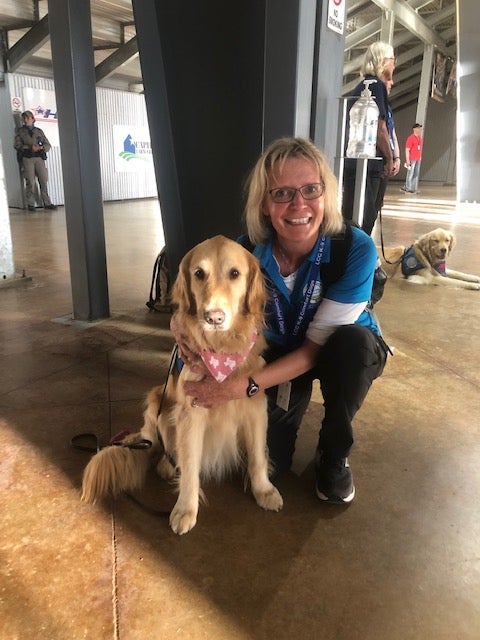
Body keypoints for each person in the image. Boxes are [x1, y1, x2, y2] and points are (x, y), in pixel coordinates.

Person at [172, 137, 389, 504]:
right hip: (278, 356)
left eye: (310, 189)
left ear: (327, 195)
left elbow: (313, 350)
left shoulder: (355, 249)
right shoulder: (243, 255)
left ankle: (334, 456)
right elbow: (203, 300)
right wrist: (180, 325)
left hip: (336, 351)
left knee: (352, 347)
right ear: (264, 205)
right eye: (282, 193)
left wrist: (241, 388)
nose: (298, 204)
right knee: (277, 461)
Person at [342, 41, 400, 235]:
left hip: (359, 165)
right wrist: (390, 158)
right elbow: (380, 128)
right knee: (363, 221)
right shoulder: (375, 85)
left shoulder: (363, 85)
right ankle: (358, 262)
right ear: (383, 61)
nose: (394, 64)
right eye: (393, 60)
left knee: (359, 218)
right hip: (368, 166)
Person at [14, 110, 57, 211]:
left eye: (27, 118)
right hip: (27, 158)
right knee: (31, 181)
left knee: (43, 180)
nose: (25, 120)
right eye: (24, 118)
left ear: (32, 119)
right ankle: (31, 204)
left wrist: (40, 148)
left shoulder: (39, 131)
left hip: (39, 158)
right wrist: (29, 147)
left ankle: (47, 203)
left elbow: (47, 145)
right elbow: (17, 145)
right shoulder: (20, 132)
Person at [401, 123, 423, 194]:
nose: (419, 129)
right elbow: (407, 149)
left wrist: (420, 157)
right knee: (410, 173)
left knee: (416, 173)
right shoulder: (410, 138)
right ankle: (408, 188)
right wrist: (408, 160)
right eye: (418, 128)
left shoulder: (419, 138)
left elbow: (419, 148)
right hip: (412, 158)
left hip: (417, 158)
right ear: (414, 129)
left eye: (420, 128)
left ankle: (406, 186)